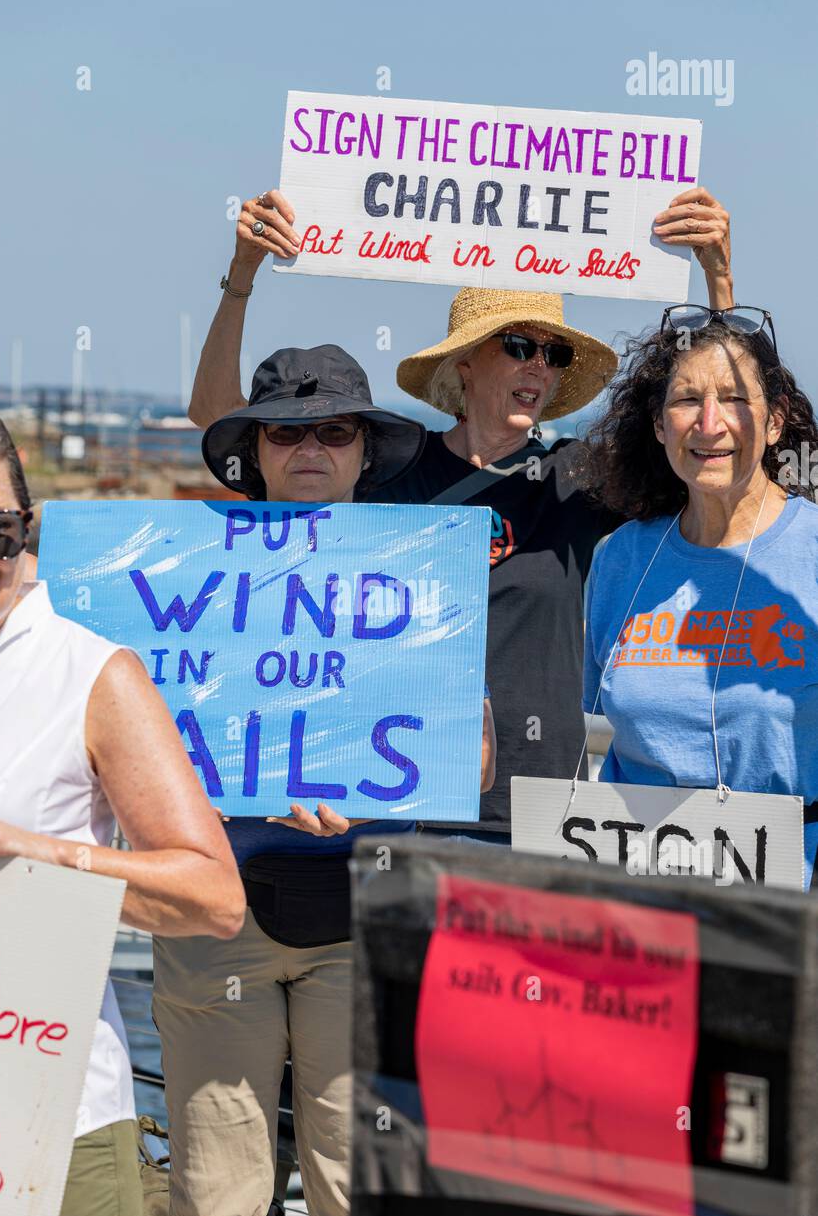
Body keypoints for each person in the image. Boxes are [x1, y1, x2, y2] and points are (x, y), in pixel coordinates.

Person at [187, 185, 733, 842]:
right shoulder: (386, 467)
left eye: (553, 354)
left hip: (539, 815)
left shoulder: (577, 479)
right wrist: (241, 275)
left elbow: (718, 448)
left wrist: (719, 279)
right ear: (465, 363)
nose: (539, 365)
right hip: (395, 810)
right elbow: (223, 423)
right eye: (518, 346)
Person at [158, 343, 495, 1216]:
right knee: (214, 1202)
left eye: (335, 430)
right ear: (257, 451)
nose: (310, 447)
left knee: (359, 1201)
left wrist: (363, 770)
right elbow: (130, 741)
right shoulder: (184, 568)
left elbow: (480, 756)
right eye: (285, 431)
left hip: (365, 912)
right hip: (214, 914)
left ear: (361, 450)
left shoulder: (424, 570)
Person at [0, 402, 246, 1216]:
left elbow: (212, 895)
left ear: (27, 526)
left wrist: (36, 857)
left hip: (47, 1116)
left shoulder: (90, 674)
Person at [579, 306, 818, 887]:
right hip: (634, 903)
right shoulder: (620, 560)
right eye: (687, 400)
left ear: (776, 420)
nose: (709, 423)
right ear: (659, 425)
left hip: (785, 913)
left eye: (735, 398)